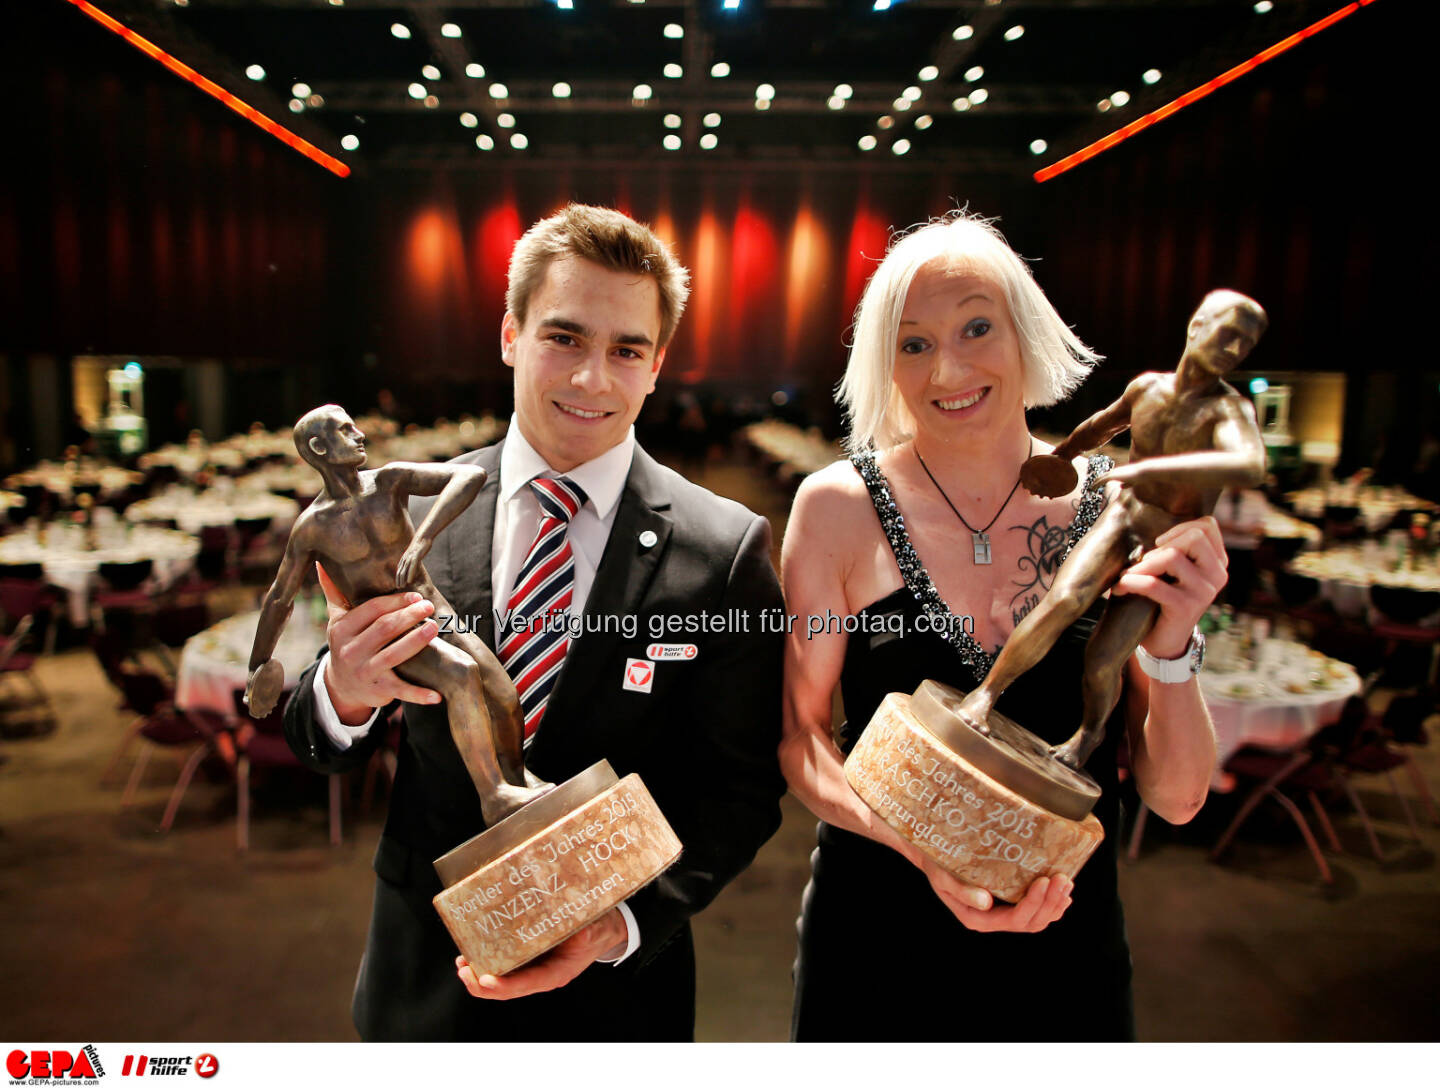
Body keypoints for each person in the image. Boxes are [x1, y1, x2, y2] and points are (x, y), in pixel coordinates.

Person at [282, 204, 786, 1041]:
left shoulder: (724, 550)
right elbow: (311, 734)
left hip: (620, 1001)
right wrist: (343, 690)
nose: (593, 377)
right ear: (510, 334)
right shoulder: (400, 520)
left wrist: (614, 925)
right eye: (564, 337)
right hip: (425, 983)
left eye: (626, 349)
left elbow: (739, 792)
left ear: (657, 365)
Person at [779, 212, 1229, 1041]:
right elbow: (804, 741)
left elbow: (1176, 798)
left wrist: (1173, 638)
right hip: (876, 922)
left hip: (1065, 929)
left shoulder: (1120, 509)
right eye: (912, 344)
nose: (948, 367)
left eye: (976, 326)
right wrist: (931, 852)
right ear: (886, 364)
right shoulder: (836, 508)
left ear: (1025, 330)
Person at [245, 405, 549, 827]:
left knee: (500, 690)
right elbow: (279, 598)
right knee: (460, 675)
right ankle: (493, 795)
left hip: (432, 608)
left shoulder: (388, 482)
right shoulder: (312, 527)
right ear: (319, 447)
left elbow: (469, 477)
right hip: (389, 632)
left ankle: (516, 780)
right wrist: (258, 663)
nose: (360, 435)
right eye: (345, 430)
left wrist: (423, 539)